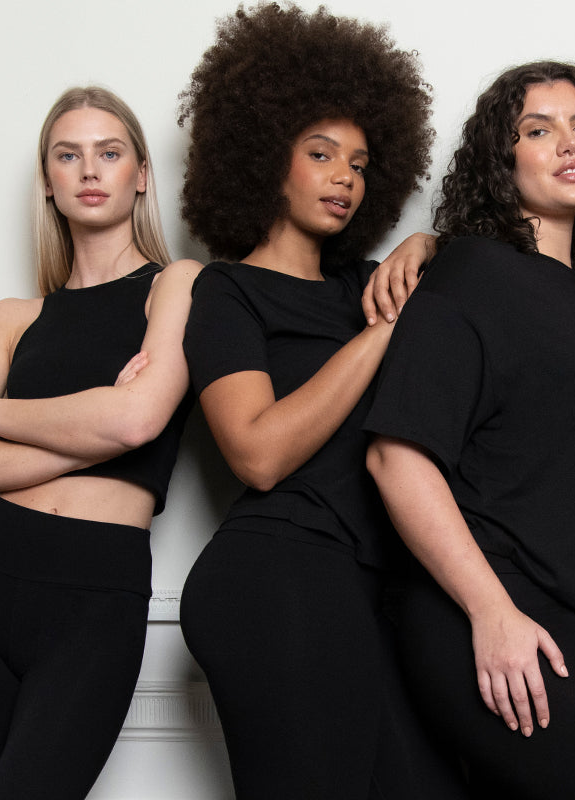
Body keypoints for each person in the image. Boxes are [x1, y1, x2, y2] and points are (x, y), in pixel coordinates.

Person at [363, 60, 575, 800]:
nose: (569, 143)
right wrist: (492, 613)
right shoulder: (471, 274)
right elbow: (397, 459)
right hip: (500, 614)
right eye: (538, 130)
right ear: (502, 159)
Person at [170, 5, 462, 798]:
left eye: (360, 164)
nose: (345, 178)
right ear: (266, 156)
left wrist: (425, 243)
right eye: (321, 153)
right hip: (276, 576)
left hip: (367, 588)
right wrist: (380, 333)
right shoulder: (227, 291)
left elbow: (469, 279)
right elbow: (258, 453)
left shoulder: (368, 285)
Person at [0, 86, 198, 799]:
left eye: (110, 152)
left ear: (142, 174)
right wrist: (98, 423)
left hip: (95, 590)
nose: (89, 169)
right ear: (48, 181)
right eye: (68, 155)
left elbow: (136, 423)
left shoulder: (178, 286)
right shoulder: (12, 319)